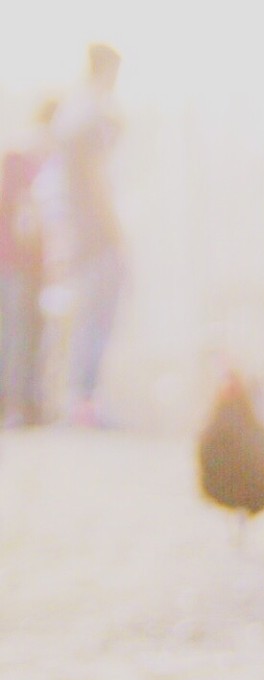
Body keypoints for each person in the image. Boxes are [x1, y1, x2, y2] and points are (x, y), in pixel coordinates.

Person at [54, 41, 124, 428]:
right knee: (98, 316)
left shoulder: (73, 112)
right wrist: (115, 229)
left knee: (88, 316)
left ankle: (81, 400)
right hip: (97, 232)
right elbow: (96, 177)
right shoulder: (92, 112)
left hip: (81, 232)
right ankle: (86, 401)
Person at [0, 99, 57, 428]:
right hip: (13, 263)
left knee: (29, 333)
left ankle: (28, 405)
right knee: (16, 334)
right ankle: (15, 406)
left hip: (32, 266)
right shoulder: (20, 161)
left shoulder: (42, 163)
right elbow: (25, 219)